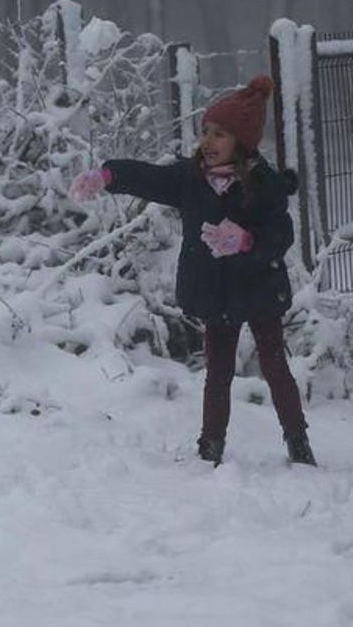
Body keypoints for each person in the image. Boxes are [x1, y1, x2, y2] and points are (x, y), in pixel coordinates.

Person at [71, 77, 314, 467]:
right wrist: (108, 176)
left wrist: (246, 242)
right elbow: (150, 177)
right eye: (205, 131)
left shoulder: (264, 184)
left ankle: (298, 441)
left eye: (220, 133)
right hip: (215, 293)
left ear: (242, 141)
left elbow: (280, 236)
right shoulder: (190, 178)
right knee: (217, 371)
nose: (209, 141)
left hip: (258, 286)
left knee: (274, 365)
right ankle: (210, 447)